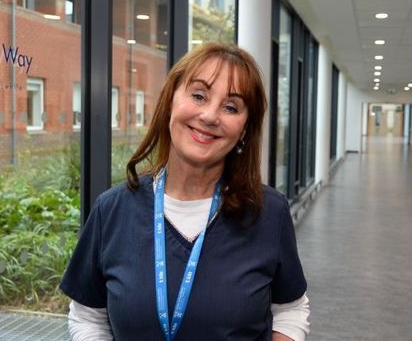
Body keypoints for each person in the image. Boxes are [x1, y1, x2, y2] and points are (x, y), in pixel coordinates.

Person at [60, 42, 310, 340]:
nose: (209, 116)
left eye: (231, 107)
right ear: (170, 101)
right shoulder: (112, 210)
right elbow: (88, 317)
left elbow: (290, 309)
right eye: (199, 95)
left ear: (243, 129)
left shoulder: (269, 212)